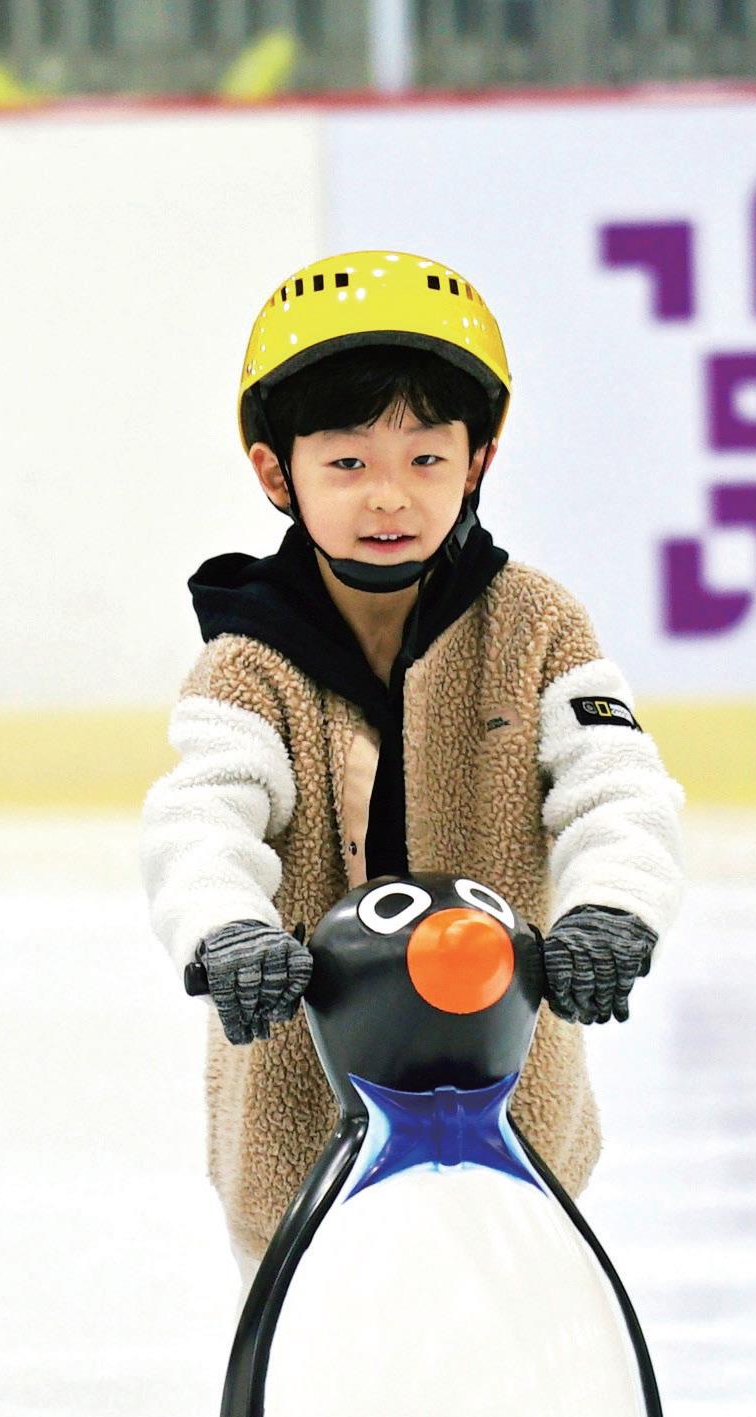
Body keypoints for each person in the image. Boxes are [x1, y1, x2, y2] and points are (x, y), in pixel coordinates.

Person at [140, 251, 685, 1276]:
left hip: (510, 1109)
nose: (389, 497)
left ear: (476, 461)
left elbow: (618, 784)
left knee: (510, 1335)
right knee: (320, 1369)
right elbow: (202, 818)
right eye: (348, 463)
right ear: (275, 472)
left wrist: (613, 906)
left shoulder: (537, 627)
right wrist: (229, 933)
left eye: (425, 460)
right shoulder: (247, 663)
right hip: (300, 1128)